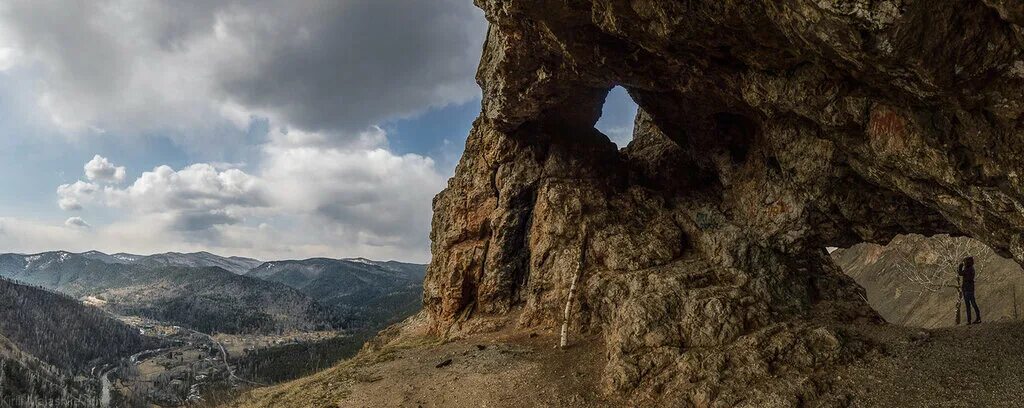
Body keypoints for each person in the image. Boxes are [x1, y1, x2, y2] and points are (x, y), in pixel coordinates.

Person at [958, 256, 981, 325]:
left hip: (967, 289)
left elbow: (960, 273)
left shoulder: (968, 269)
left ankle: (972, 320)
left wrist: (960, 267)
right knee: (972, 304)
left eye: (965, 262)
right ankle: (975, 319)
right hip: (969, 289)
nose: (964, 263)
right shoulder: (970, 268)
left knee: (970, 304)